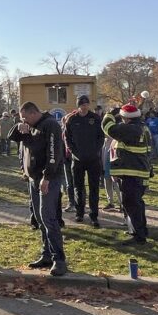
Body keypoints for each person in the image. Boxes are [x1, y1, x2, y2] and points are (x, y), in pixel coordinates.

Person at [8, 101, 67, 276]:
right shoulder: (31, 126)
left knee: (48, 217)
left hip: (48, 178)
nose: (24, 121)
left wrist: (47, 177)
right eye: (22, 118)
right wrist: (20, 127)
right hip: (33, 178)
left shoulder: (49, 125)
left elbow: (53, 153)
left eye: (26, 117)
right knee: (39, 218)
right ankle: (46, 254)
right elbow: (14, 138)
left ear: (34, 113)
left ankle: (59, 259)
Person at [102, 104, 152, 245]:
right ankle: (141, 230)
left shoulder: (131, 129)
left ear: (126, 117)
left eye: (122, 117)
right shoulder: (142, 127)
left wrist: (110, 114)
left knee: (131, 203)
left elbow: (108, 127)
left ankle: (139, 236)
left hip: (134, 173)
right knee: (137, 203)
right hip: (138, 171)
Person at [64, 95, 105, 227]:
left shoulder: (96, 118)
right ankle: (79, 213)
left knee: (94, 188)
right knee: (78, 188)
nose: (84, 106)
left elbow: (101, 137)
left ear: (89, 105)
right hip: (77, 159)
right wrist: (73, 152)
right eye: (81, 104)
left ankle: (94, 215)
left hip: (93, 159)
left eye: (86, 104)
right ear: (78, 105)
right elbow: (67, 138)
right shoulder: (72, 119)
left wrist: (96, 151)